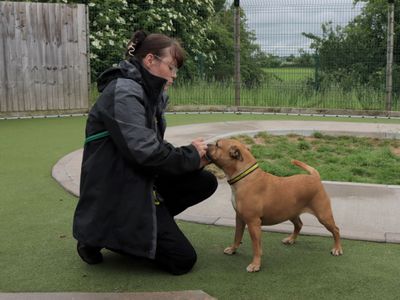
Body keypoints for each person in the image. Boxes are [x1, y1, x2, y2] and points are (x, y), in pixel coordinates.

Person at [73, 30, 218, 275]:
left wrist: (193, 159)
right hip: (115, 189)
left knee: (203, 181)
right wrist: (191, 155)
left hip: (137, 180)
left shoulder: (149, 92)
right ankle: (98, 234)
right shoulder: (124, 92)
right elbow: (146, 153)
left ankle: (143, 225)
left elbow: (149, 149)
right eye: (171, 68)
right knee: (182, 260)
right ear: (150, 60)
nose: (173, 76)